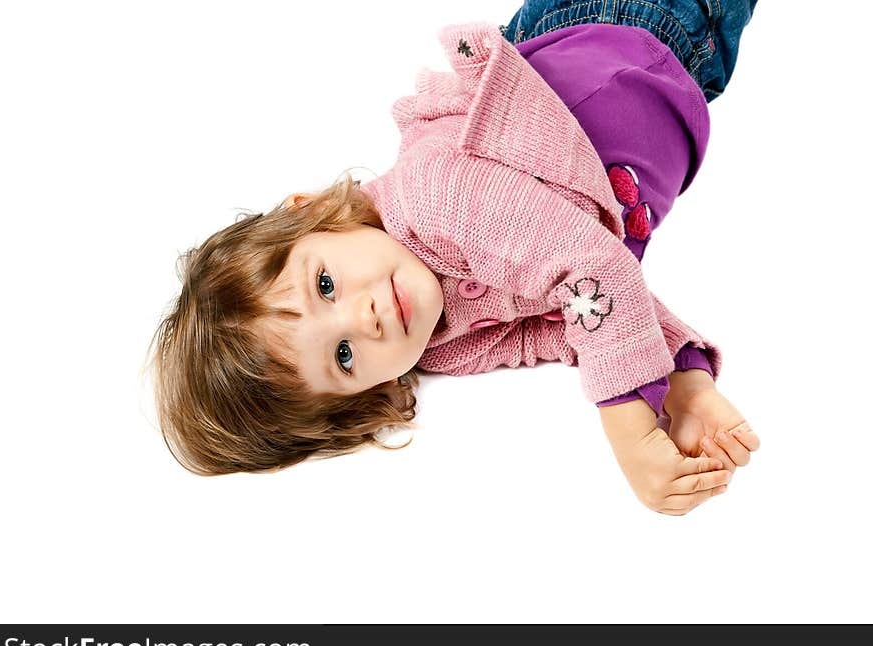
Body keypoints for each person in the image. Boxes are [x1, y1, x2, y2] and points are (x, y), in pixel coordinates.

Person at [148, 1, 761, 516]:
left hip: (644, 19)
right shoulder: (442, 344)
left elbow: (591, 267)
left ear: (312, 215)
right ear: (366, 397)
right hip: (679, 76)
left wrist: (628, 425)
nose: (363, 318)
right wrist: (681, 380)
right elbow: (572, 318)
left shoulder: (433, 197)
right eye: (342, 356)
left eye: (326, 285)